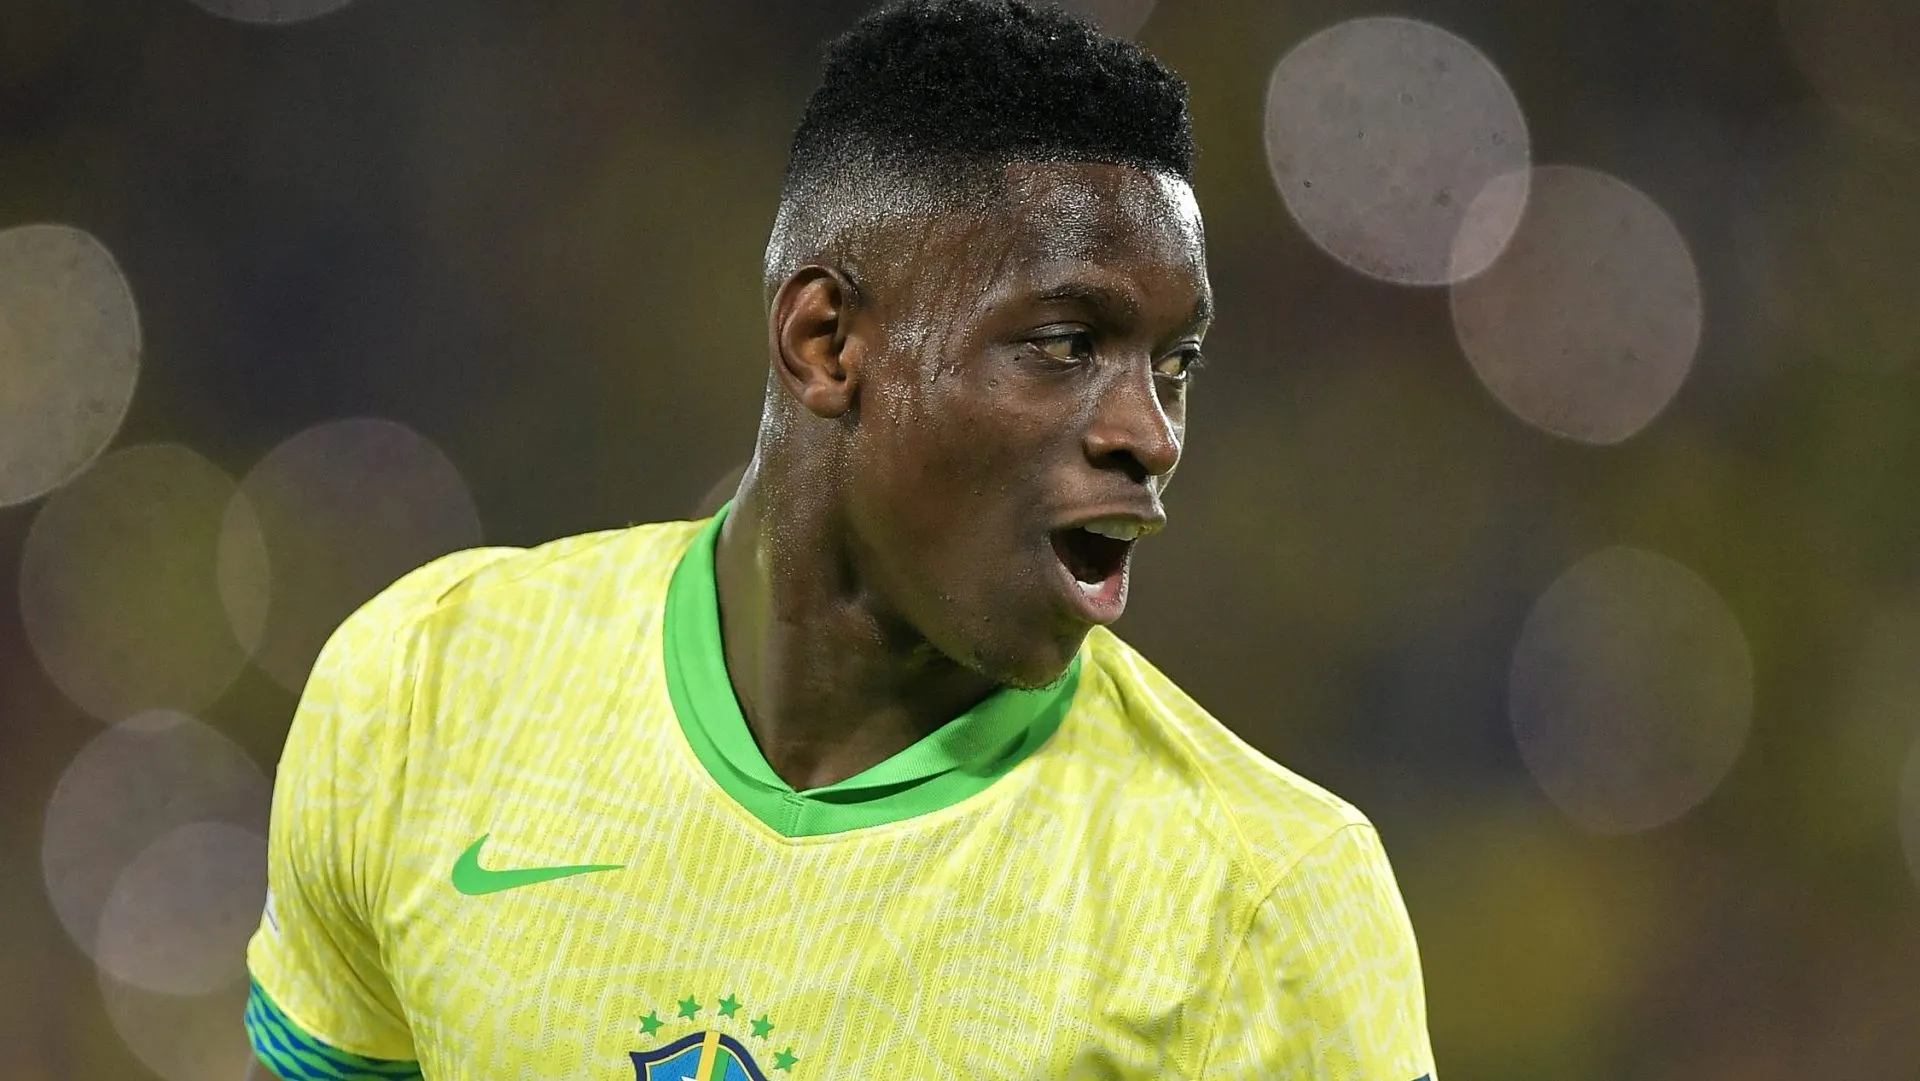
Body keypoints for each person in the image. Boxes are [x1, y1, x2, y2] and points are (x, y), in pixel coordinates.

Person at [243, 1, 1437, 1077]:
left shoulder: (1266, 904)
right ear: (825, 342)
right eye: (1068, 344)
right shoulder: (427, 690)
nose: (1150, 434)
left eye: (1174, 368)